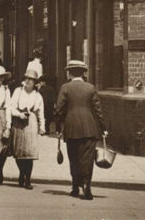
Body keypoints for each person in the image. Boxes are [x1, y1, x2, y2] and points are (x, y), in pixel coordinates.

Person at [55, 59, 107, 200]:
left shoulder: (65, 88)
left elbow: (59, 110)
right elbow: (98, 110)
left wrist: (59, 127)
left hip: (71, 128)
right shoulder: (90, 87)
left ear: (70, 73)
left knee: (74, 158)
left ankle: (75, 187)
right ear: (83, 73)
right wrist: (103, 128)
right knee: (87, 158)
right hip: (89, 128)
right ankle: (87, 186)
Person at [9, 68, 46, 189]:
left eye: (31, 79)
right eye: (27, 78)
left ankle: (28, 179)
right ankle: (21, 173)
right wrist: (18, 114)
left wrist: (42, 127)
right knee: (19, 152)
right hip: (18, 122)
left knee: (29, 153)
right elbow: (11, 107)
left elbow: (41, 113)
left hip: (31, 123)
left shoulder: (38, 96)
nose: (28, 81)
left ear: (35, 83)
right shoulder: (17, 91)